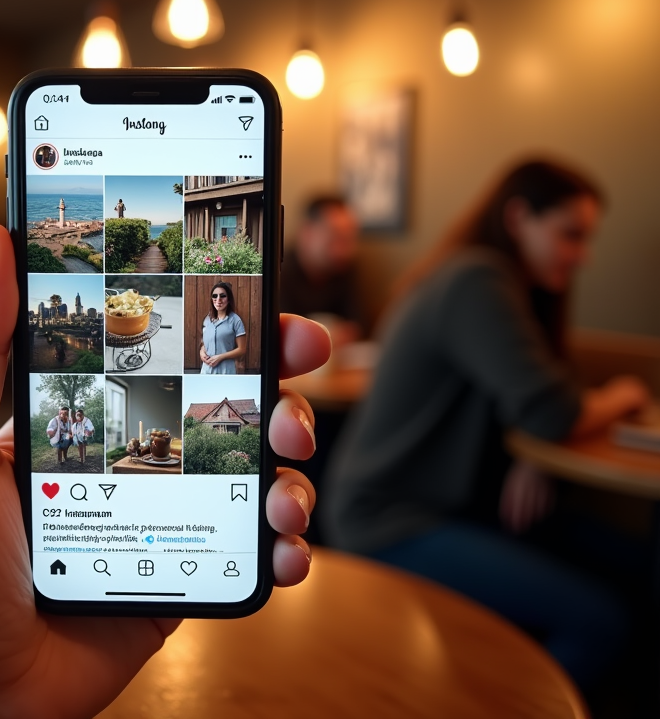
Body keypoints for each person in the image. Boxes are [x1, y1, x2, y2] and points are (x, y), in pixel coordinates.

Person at [0, 223, 330, 719]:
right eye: (209, 293)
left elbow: (233, 351)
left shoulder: (231, 321)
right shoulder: (110, 373)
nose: (214, 297)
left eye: (217, 292)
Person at [322, 159, 651, 689]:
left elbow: (541, 394)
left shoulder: (497, 282)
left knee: (634, 563)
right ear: (520, 218)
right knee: (600, 623)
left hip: (450, 505)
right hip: (388, 520)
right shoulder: (477, 278)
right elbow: (554, 409)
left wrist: (532, 448)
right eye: (571, 235)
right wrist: (623, 394)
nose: (582, 256)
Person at [280, 194, 363, 344]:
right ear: (307, 233)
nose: (345, 250)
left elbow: (357, 326)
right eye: (336, 236)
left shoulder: (345, 268)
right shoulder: (278, 272)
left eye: (349, 238)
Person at [199, 281, 246, 374]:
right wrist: (202, 352)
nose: (218, 299)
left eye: (223, 296)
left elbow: (242, 349)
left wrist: (220, 357)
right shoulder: (207, 320)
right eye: (215, 296)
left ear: (229, 299)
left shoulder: (236, 320)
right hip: (206, 371)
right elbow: (206, 342)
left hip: (226, 372)